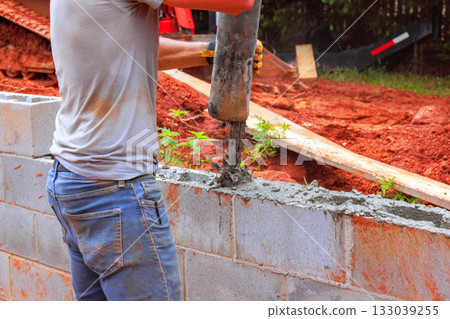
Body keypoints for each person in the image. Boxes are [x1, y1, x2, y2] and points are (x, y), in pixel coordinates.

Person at [46, 0, 256, 301]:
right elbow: (240, 3)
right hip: (115, 191)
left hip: (72, 179)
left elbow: (125, 50)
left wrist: (209, 51)